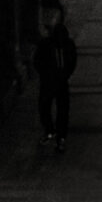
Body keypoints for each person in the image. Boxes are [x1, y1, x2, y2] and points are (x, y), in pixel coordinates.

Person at [33, 18, 77, 154]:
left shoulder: (68, 45)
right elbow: (38, 61)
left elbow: (72, 61)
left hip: (61, 81)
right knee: (44, 107)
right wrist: (46, 75)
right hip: (48, 81)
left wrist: (65, 74)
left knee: (62, 110)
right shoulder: (45, 45)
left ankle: (61, 137)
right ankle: (50, 130)